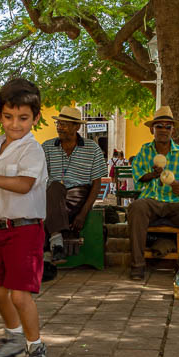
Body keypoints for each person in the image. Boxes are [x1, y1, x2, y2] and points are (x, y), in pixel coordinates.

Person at [0, 78, 51, 357]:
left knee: (21, 296)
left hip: (26, 230)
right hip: (1, 230)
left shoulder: (32, 150)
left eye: (23, 118)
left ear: (35, 118)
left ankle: (36, 352)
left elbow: (24, 185)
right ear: (0, 116)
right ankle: (13, 340)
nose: (15, 124)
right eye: (8, 117)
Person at [127, 106, 179, 282]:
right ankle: (137, 265)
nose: (163, 130)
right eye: (159, 126)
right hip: (151, 202)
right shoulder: (144, 151)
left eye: (167, 126)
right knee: (137, 207)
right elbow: (139, 177)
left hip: (177, 205)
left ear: (173, 130)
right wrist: (153, 175)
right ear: (151, 129)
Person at [42, 106, 108, 262]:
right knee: (54, 188)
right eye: (58, 124)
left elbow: (96, 184)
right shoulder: (47, 147)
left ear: (76, 127)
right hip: (54, 196)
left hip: (79, 194)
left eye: (64, 124)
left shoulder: (92, 148)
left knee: (52, 193)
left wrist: (83, 213)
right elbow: (39, 177)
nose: (59, 128)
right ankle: (56, 242)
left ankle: (49, 250)